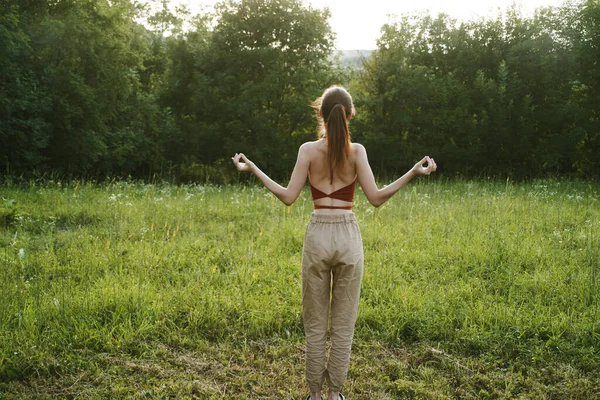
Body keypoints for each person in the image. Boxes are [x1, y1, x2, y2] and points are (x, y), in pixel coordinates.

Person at [232, 85, 436, 400]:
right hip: (347, 236)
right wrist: (413, 171)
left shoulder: (307, 150)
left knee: (315, 328)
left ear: (321, 114)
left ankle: (315, 396)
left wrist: (253, 168)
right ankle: (334, 395)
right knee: (342, 328)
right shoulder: (358, 152)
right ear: (350, 114)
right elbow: (377, 198)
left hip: (317, 235)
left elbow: (288, 197)